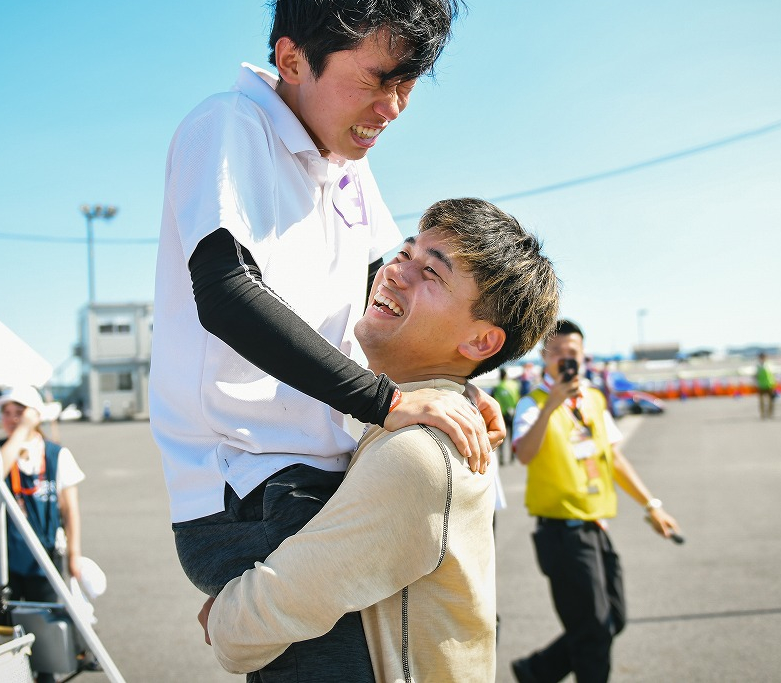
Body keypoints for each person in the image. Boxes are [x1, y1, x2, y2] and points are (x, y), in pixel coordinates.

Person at [148, 0, 501, 681]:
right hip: (252, 486)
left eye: (407, 85)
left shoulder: (347, 166)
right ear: (292, 58)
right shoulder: (231, 124)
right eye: (376, 80)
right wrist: (389, 401)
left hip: (322, 471)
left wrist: (449, 386)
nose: (393, 108)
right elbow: (226, 291)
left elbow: (385, 293)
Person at [202, 198, 560, 682]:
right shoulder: (437, 418)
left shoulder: (418, 451)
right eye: (405, 253)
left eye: (430, 273)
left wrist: (224, 616)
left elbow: (280, 604)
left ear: (480, 342)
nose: (393, 272)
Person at [510, 320, 681, 683]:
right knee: (593, 632)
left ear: (584, 355)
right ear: (544, 357)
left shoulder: (594, 399)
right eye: (557, 352)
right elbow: (524, 454)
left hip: (596, 525)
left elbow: (614, 458)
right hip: (561, 531)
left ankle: (536, 670)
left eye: (572, 352)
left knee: (613, 619)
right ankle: (537, 671)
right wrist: (552, 405)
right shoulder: (532, 403)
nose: (565, 358)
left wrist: (651, 505)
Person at [0, 387, 85, 632]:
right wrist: (21, 431)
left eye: (19, 412)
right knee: (3, 627)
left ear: (36, 415)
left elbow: (70, 509)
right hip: (0, 556)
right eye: (6, 413)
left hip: (43, 557)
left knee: (44, 626)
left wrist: (74, 554)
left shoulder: (56, 454)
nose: (12, 419)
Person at [494, 367, 521, 464]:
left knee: (501, 437)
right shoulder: (514, 385)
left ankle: (501, 457)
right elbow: (518, 398)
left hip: (502, 414)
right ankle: (512, 456)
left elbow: (494, 400)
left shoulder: (497, 387)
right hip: (513, 413)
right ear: (506, 376)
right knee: (512, 436)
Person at [755, 351, 776, 419]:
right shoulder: (758, 366)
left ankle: (770, 413)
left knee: (770, 401)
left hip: (769, 385)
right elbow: (756, 376)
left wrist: (774, 384)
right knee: (762, 401)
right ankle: (763, 414)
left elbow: (773, 375)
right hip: (761, 385)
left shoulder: (769, 365)